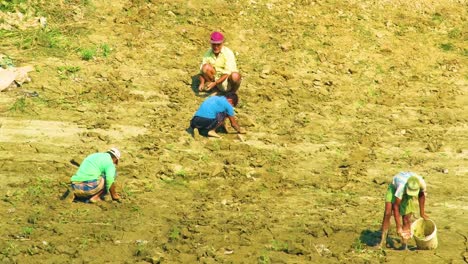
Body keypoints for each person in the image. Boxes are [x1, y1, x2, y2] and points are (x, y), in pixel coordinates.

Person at [379, 171, 429, 249]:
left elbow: (421, 195)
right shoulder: (401, 187)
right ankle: (382, 241)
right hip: (394, 188)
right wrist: (398, 226)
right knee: (388, 213)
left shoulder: (421, 183)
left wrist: (422, 213)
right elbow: (396, 207)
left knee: (406, 218)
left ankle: (404, 245)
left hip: (407, 189)